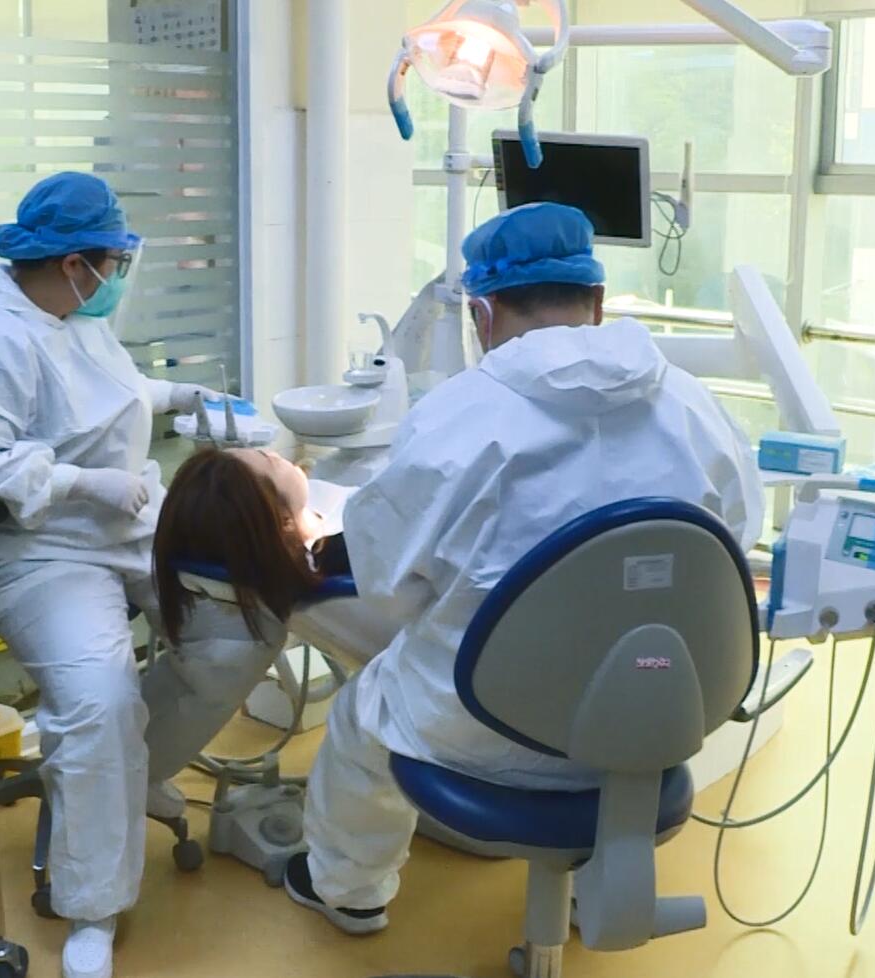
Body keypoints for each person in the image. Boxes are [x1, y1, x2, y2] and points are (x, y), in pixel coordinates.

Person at [283, 202, 765, 934]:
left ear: (481, 314)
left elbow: (386, 584)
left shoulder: (457, 416)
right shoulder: (695, 407)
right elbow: (731, 546)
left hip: (483, 728)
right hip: (654, 714)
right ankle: (588, 888)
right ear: (597, 300)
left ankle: (351, 891)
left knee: (363, 715)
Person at [0, 172, 219, 978]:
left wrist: (183, 396)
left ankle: (129, 774)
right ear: (74, 265)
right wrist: (79, 483)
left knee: (242, 620)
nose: (117, 278)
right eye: (113, 263)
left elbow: (111, 392)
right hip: (41, 551)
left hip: (128, 521)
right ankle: (93, 907)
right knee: (101, 701)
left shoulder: (75, 316)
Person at [142, 448, 348, 784]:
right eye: (270, 460)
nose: (273, 452)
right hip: (133, 765)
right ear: (281, 521)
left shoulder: (257, 542)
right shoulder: (332, 552)